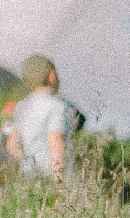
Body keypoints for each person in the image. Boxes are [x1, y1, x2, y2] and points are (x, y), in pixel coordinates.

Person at [7, 55, 78, 183]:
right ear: (51, 75)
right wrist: (59, 182)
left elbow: (12, 145)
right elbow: (55, 140)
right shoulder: (57, 106)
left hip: (30, 179)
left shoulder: (22, 106)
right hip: (51, 181)